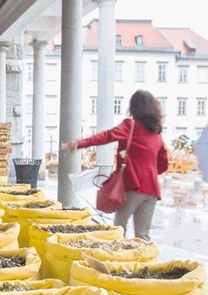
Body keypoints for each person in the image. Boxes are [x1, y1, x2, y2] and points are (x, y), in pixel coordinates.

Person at [61, 89, 169, 240]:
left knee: (118, 232)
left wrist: (78, 144)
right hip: (151, 190)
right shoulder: (156, 133)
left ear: (133, 107)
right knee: (143, 236)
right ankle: (144, 263)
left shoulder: (130, 126)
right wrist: (147, 168)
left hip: (133, 185)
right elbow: (163, 165)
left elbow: (107, 136)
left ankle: (119, 262)